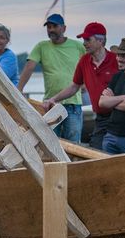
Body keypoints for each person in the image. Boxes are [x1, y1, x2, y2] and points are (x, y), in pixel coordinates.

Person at [42, 22, 117, 149]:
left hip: (119, 115)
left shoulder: (115, 60)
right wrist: (53, 99)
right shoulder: (84, 61)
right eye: (83, 39)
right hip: (101, 118)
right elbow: (74, 86)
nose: (84, 43)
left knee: (116, 153)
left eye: (88, 39)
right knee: (96, 152)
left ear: (100, 41)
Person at [18, 14, 85, 142]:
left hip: (73, 103)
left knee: (74, 143)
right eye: (48, 27)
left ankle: (72, 163)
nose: (51, 30)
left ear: (64, 28)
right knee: (51, 142)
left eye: (55, 26)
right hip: (50, 104)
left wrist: (86, 84)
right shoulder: (41, 46)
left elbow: (90, 64)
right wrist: (19, 89)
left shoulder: (78, 46)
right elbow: (29, 67)